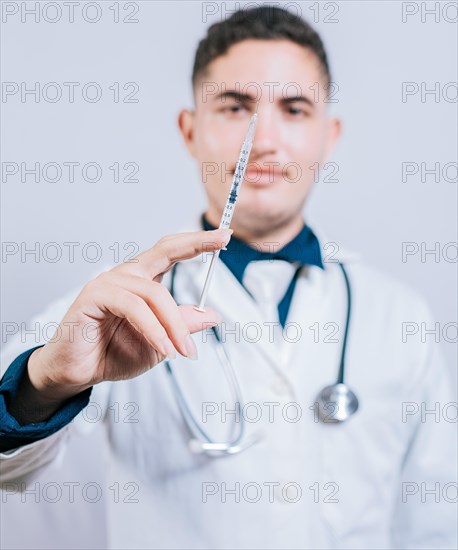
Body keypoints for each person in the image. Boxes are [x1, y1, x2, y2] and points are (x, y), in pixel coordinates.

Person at [1, 6, 456, 550]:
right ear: (190, 130)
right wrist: (47, 381)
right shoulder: (113, 304)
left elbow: (432, 521)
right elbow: (10, 470)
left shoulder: (398, 317)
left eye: (294, 108)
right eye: (236, 106)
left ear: (328, 137)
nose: (262, 140)